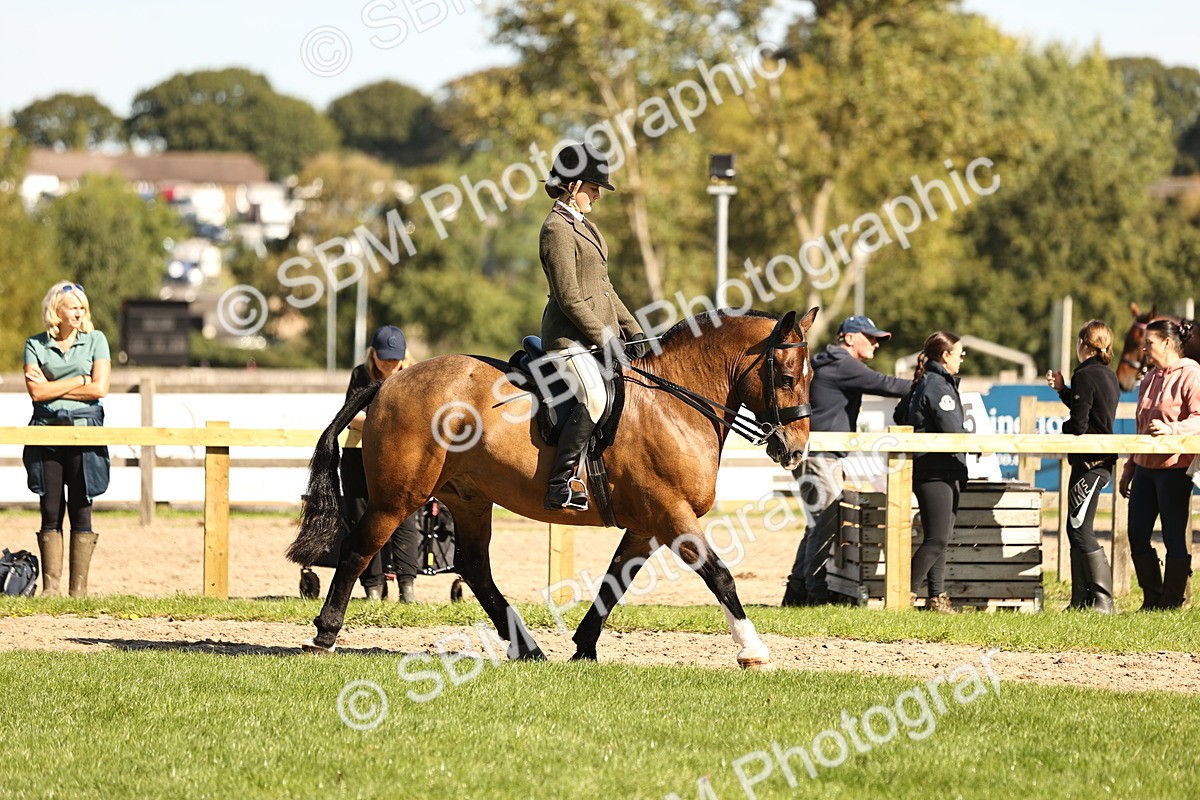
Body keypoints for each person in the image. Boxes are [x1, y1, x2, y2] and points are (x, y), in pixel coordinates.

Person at [539, 142, 645, 511]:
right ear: (572, 185)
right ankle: (560, 483)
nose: (597, 196)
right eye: (593, 187)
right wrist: (606, 337)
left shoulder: (587, 227)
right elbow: (569, 298)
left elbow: (604, 288)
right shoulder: (556, 229)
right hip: (568, 339)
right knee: (595, 397)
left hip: (597, 337)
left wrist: (632, 329)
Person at [781, 315, 910, 607]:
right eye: (871, 337)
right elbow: (885, 384)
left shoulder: (832, 361)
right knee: (824, 522)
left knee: (819, 523)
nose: (876, 344)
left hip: (819, 454)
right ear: (849, 338)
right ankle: (814, 595)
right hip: (821, 456)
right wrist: (928, 383)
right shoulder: (842, 363)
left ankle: (797, 594)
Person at [22, 282, 111, 597]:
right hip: (46, 430)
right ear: (55, 309)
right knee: (50, 507)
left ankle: (79, 591)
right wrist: (78, 380)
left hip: (85, 430)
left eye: (82, 307)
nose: (79, 312)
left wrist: (54, 385)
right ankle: (51, 589)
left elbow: (99, 390)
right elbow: (37, 393)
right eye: (73, 306)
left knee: (81, 505)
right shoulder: (34, 344)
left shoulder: (96, 341)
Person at [1117, 319, 1200, 610]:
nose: (1144, 349)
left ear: (1167, 343)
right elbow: (1140, 427)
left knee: (1173, 536)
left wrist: (1172, 430)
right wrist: (1129, 469)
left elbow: (1199, 417)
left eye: (1148, 343)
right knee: (1137, 533)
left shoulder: (1191, 374)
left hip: (1175, 469)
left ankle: (1171, 601)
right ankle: (1152, 598)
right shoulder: (1149, 378)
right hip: (1143, 468)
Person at [339, 325, 422, 601]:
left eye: (393, 357)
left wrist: (374, 421)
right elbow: (352, 416)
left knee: (405, 518)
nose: (388, 363)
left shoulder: (415, 377)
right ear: (372, 353)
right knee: (362, 519)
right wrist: (391, 425)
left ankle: (407, 586)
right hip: (358, 454)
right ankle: (372, 587)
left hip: (402, 458)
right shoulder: (360, 375)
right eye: (383, 356)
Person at [1046, 320, 1120, 613]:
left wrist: (1062, 430)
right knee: (1073, 527)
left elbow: (1079, 424)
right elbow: (1091, 411)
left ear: (1084, 344)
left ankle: (1103, 600)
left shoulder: (1085, 374)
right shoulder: (1107, 374)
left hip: (1091, 461)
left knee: (1079, 528)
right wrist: (1064, 391)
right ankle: (1080, 600)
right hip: (1097, 461)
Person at [894, 332, 968, 613]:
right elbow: (952, 430)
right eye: (959, 353)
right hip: (936, 470)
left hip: (938, 468)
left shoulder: (929, 381)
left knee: (940, 537)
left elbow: (900, 414)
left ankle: (937, 596)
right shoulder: (936, 384)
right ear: (945, 355)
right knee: (936, 538)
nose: (962, 358)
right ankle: (905, 595)